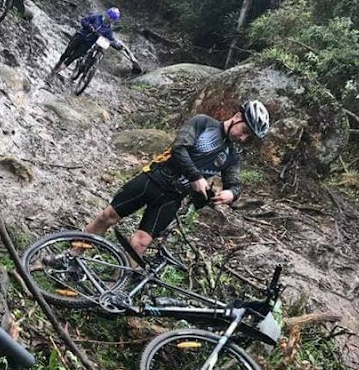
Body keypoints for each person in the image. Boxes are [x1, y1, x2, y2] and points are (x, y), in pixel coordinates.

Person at [83, 100, 271, 257]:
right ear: (237, 117)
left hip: (173, 197)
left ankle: (114, 288)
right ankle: (71, 257)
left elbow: (235, 184)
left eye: (249, 137)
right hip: (153, 178)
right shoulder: (203, 123)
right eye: (245, 130)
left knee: (141, 244)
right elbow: (179, 148)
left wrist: (231, 193)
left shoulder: (232, 156)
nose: (243, 138)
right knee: (107, 217)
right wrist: (196, 177)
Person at [51, 8, 137, 76]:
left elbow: (110, 39)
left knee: (73, 57)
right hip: (80, 36)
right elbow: (84, 20)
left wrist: (117, 45)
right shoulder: (96, 17)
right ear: (106, 14)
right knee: (67, 52)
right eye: (109, 16)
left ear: (114, 20)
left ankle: (56, 71)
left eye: (112, 19)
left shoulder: (108, 30)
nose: (109, 19)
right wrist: (90, 27)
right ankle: (59, 62)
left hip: (87, 44)